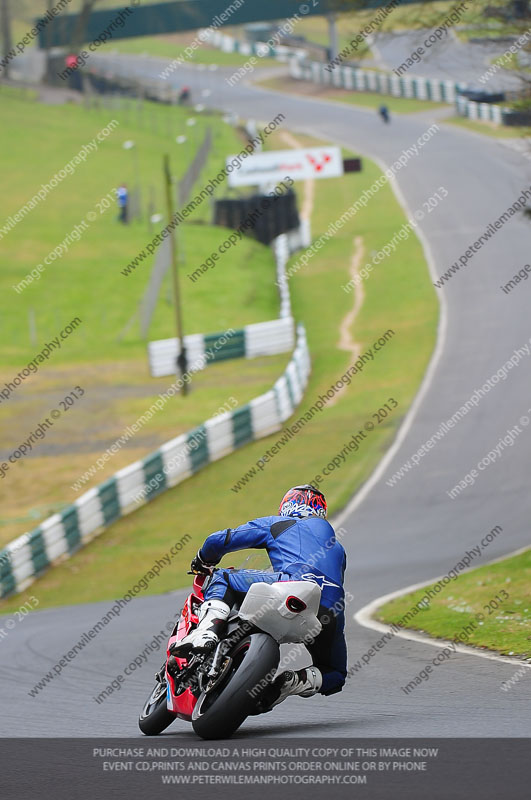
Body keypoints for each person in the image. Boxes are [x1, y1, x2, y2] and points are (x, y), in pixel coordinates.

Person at [173, 484, 348, 704]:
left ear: (286, 506)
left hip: (292, 584)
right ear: (321, 512)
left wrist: (203, 559)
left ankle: (206, 632)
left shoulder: (281, 523)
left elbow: (221, 540)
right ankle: (296, 680)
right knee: (336, 673)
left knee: (223, 577)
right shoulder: (338, 548)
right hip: (330, 610)